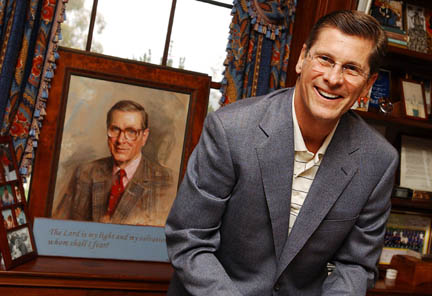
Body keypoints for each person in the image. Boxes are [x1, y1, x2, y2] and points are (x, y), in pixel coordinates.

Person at [165, 10, 398, 295]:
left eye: (351, 69)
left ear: (368, 84)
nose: (334, 78)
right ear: (302, 59)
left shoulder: (378, 160)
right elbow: (189, 240)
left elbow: (356, 266)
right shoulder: (231, 130)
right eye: (325, 59)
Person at [53, 100, 173, 226]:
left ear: (144, 136)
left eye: (131, 132)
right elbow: (58, 227)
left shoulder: (166, 181)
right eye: (115, 129)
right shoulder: (85, 172)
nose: (121, 140)